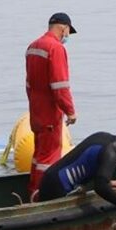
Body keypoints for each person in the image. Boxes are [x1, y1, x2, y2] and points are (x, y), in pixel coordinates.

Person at [26, 12, 78, 198]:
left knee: (38, 157)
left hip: (36, 113)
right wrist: (70, 111)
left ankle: (32, 192)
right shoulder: (55, 48)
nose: (66, 36)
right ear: (63, 27)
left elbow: (29, 85)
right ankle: (41, 198)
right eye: (67, 32)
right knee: (49, 159)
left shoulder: (33, 47)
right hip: (50, 115)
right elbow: (60, 86)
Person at [37, 124, 116, 210]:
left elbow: (90, 164)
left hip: (50, 178)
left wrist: (107, 181)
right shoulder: (111, 153)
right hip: (57, 188)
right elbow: (100, 188)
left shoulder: (105, 137)